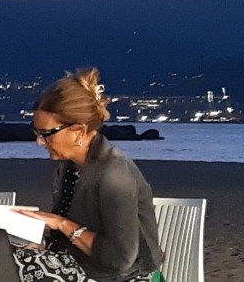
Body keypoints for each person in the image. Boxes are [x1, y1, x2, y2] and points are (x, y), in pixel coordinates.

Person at [14, 68, 163, 282]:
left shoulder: (114, 174)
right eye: (36, 133)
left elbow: (121, 260)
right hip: (79, 265)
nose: (39, 141)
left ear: (79, 131)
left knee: (14, 265)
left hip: (121, 277)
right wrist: (46, 244)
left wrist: (63, 224)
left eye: (46, 134)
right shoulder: (69, 167)